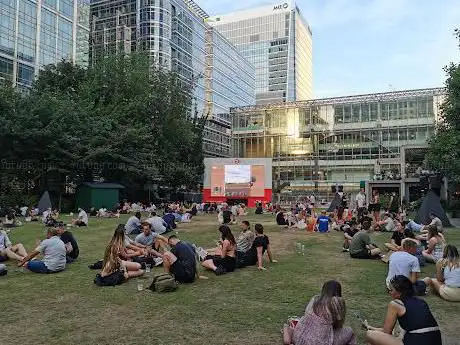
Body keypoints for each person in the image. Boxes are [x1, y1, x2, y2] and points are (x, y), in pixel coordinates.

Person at [365, 275, 442, 345]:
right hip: (435, 340)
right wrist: (371, 327)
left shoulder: (395, 304)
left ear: (398, 293)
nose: (389, 292)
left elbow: (386, 332)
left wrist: (371, 330)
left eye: (390, 290)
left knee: (370, 335)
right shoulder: (422, 302)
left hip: (417, 340)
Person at [283, 280, 356, 345]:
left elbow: (306, 314)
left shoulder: (315, 298)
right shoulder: (337, 301)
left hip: (298, 337)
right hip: (317, 342)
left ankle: (287, 329)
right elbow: (339, 325)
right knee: (349, 331)